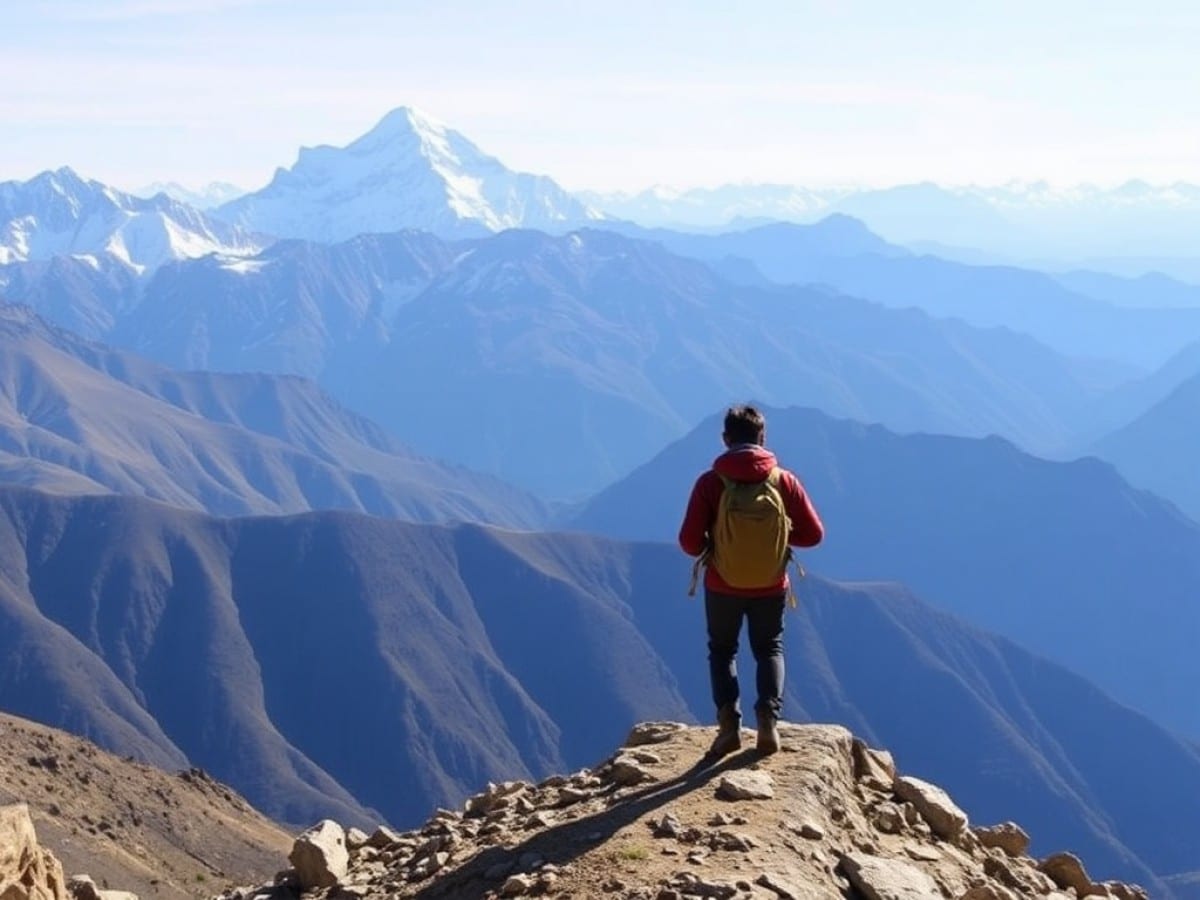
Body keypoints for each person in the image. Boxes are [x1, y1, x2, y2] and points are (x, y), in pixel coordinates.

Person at [678, 405, 824, 757]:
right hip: (771, 584)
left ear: (726, 439)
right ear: (762, 438)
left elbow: (688, 542)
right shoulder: (783, 481)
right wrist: (779, 538)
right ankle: (768, 725)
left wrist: (716, 544)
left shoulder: (710, 483)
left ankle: (729, 727)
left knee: (722, 650)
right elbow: (814, 534)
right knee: (769, 648)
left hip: (722, 584)